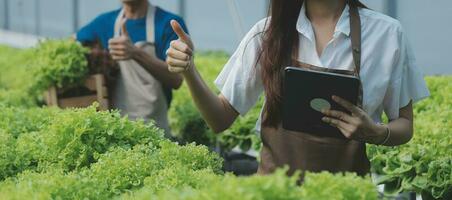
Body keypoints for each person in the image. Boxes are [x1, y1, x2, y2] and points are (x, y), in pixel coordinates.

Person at [165, 0, 430, 176]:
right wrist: (189, 70)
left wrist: (375, 132)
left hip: (345, 191)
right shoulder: (267, 34)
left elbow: (404, 125)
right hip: (275, 190)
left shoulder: (386, 34)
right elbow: (220, 117)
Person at [75, 0, 189, 137]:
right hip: (114, 130)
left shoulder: (169, 23)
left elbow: (176, 80)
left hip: (155, 131)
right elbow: (73, 43)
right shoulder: (104, 23)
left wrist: (136, 53)